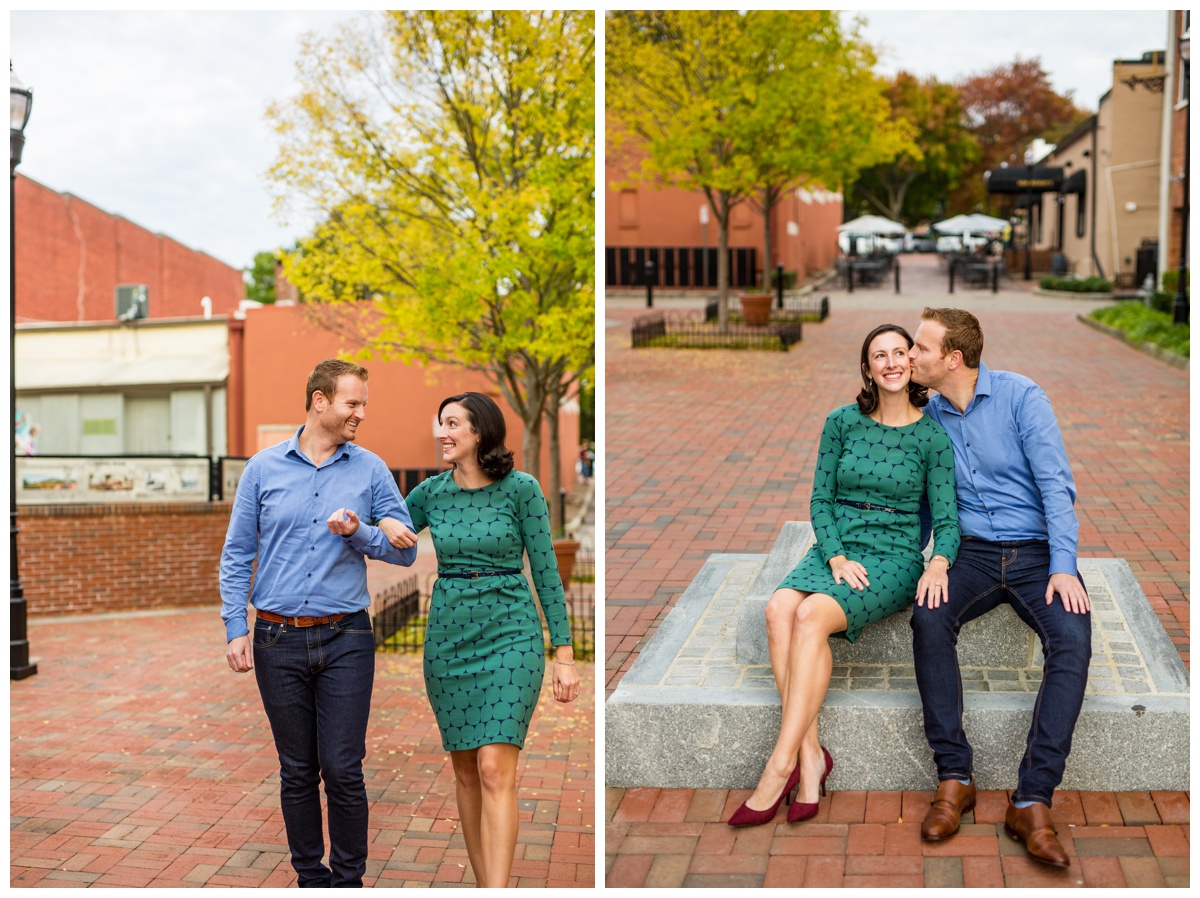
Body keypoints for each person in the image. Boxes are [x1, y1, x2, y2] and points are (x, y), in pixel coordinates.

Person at [729, 325, 960, 827]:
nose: (893, 362)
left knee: (810, 615)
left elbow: (946, 522)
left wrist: (938, 562)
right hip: (836, 548)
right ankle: (811, 757)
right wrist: (833, 557)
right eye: (881, 355)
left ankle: (779, 765)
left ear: (913, 364)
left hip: (892, 556)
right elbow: (820, 499)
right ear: (867, 367)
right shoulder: (841, 422)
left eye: (901, 352)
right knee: (777, 610)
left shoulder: (932, 437)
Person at [220, 359, 418, 888]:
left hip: (346, 636)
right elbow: (238, 552)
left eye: (364, 405)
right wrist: (234, 627)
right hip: (275, 638)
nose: (361, 414)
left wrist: (360, 532)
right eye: (353, 403)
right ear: (319, 400)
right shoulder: (262, 468)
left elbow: (405, 552)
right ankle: (311, 877)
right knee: (298, 770)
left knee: (343, 768)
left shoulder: (371, 470)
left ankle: (348, 881)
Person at [908, 307, 1091, 869]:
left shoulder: (1020, 397)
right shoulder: (926, 415)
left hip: (1037, 555)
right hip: (972, 554)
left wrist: (1064, 564)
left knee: (1074, 638)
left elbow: (1056, 485)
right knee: (928, 618)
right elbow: (919, 497)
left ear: (952, 358)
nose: (911, 355)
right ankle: (955, 777)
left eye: (919, 347)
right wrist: (927, 559)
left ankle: (1032, 798)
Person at [380, 392, 578, 887]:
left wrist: (565, 652)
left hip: (511, 632)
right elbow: (389, 540)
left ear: (480, 432)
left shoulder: (522, 490)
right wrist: (372, 523)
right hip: (449, 638)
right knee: (466, 771)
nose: (441, 433)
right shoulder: (430, 494)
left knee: (493, 768)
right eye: (440, 423)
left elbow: (547, 571)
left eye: (453, 423)